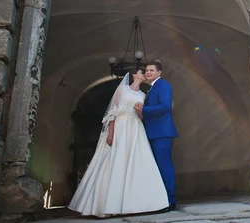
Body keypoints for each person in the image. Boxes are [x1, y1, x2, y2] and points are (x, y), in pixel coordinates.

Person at [68, 68, 169, 217]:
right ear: (134, 75)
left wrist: (141, 112)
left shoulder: (142, 94)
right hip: (121, 127)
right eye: (142, 72)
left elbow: (141, 116)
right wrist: (111, 132)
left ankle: (136, 204)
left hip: (135, 129)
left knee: (137, 162)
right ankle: (106, 205)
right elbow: (112, 112)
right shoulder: (122, 90)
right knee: (115, 161)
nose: (144, 74)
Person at [134, 61, 178, 212]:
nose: (148, 72)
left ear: (159, 72)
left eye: (152, 70)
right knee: (158, 167)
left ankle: (170, 201)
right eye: (146, 70)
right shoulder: (150, 88)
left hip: (162, 133)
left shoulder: (163, 85)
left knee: (164, 166)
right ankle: (161, 200)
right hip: (153, 132)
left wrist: (143, 110)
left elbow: (165, 107)